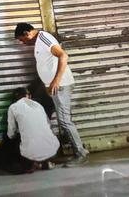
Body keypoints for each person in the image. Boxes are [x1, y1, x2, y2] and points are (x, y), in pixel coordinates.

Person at [14, 23, 88, 165]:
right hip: (52, 87)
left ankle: (81, 153)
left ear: (27, 33)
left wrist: (56, 81)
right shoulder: (39, 41)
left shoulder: (44, 38)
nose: (23, 43)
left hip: (60, 86)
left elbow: (63, 56)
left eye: (22, 40)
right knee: (44, 115)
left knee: (64, 121)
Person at [7, 87, 60, 172]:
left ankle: (31, 164)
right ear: (29, 96)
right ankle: (46, 161)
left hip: (29, 154)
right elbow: (48, 124)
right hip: (53, 150)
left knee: (14, 141)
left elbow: (11, 133)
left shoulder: (13, 107)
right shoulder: (38, 105)